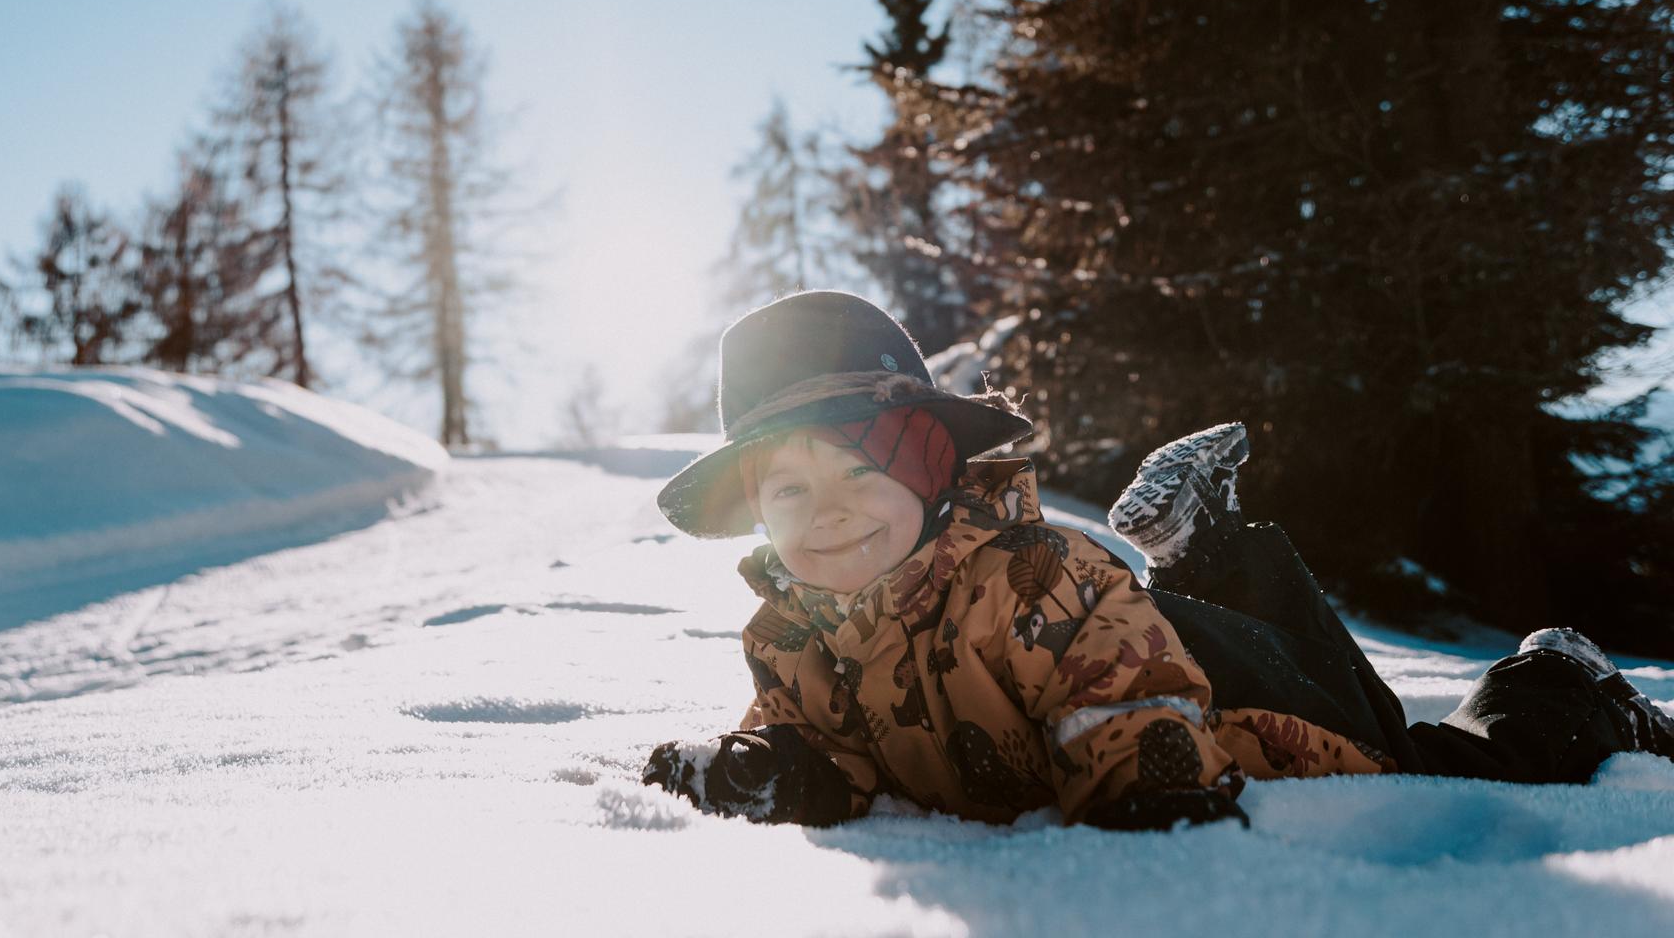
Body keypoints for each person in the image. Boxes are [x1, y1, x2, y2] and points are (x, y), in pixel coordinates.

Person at [642, 291, 1674, 830]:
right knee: (1232, 637)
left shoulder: (1028, 578)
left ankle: (1568, 683)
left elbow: (1123, 705)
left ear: (928, 467)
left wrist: (1147, 787)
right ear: (756, 516)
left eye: (857, 474)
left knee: (1443, 760)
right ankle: (1208, 548)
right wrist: (769, 773)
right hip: (1178, 649)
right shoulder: (793, 641)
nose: (827, 517)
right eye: (789, 491)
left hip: (1264, 738)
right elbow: (831, 745)